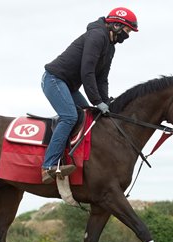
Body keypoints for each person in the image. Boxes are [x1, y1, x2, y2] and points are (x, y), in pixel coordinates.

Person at [41, 7, 139, 184]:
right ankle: (48, 166)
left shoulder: (110, 48)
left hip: (69, 86)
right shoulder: (97, 36)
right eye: (127, 31)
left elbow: (102, 78)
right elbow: (87, 72)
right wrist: (96, 101)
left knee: (88, 115)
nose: (128, 35)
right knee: (70, 117)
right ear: (116, 26)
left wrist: (106, 101)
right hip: (54, 80)